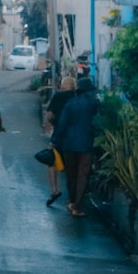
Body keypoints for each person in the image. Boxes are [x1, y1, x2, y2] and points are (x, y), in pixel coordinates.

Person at [51, 77, 98, 217]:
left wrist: (54, 140)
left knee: (71, 174)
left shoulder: (70, 103)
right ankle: (78, 207)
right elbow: (98, 123)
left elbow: (62, 124)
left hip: (69, 144)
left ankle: (71, 201)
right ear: (89, 90)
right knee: (82, 175)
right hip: (87, 144)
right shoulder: (94, 103)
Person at [43, 75, 77, 207]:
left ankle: (54, 190)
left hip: (58, 135)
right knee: (71, 167)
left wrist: (52, 123)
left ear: (63, 85)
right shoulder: (75, 97)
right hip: (73, 136)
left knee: (51, 162)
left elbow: (50, 115)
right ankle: (72, 197)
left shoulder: (57, 96)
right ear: (73, 86)